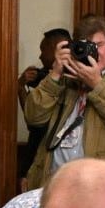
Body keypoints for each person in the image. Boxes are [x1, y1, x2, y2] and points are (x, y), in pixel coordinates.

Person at [23, 15, 105, 190]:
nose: (92, 52)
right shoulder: (66, 77)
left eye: (98, 45)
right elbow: (33, 117)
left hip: (103, 193)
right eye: (84, 46)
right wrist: (54, 74)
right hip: (55, 187)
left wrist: (97, 85)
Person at [17, 27, 72, 181]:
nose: (40, 56)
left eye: (43, 50)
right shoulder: (41, 77)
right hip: (36, 151)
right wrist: (21, 87)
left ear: (58, 49)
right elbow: (32, 119)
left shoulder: (75, 80)